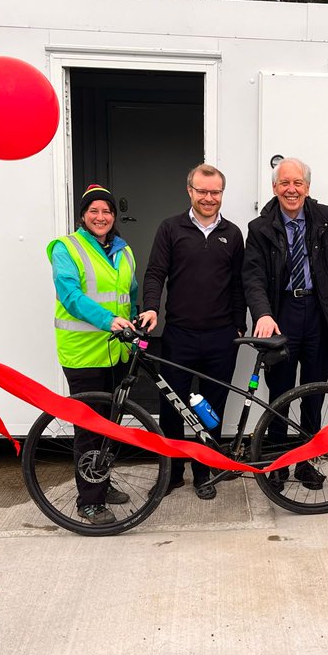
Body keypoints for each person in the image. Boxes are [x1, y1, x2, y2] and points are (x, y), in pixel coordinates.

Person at [139, 164, 246, 499]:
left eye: (215, 192)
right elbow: (155, 272)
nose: (209, 198)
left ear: (221, 194)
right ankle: (171, 473)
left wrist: (239, 324)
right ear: (190, 191)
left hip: (220, 338)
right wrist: (152, 307)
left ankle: (204, 472)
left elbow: (239, 285)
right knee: (171, 405)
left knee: (210, 409)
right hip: (179, 336)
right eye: (202, 191)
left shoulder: (233, 233)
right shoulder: (171, 228)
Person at [244, 157, 328, 490]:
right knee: (281, 393)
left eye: (297, 182)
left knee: (315, 393)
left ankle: (307, 462)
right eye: (284, 183)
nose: (291, 189)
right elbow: (253, 277)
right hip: (282, 314)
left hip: (318, 314)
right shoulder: (259, 228)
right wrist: (263, 313)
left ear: (307, 186)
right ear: (274, 188)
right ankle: (278, 463)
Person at [47, 184, 144, 525]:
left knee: (110, 426)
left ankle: (100, 480)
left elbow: (128, 294)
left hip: (117, 351)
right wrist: (108, 320)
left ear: (114, 217)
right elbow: (70, 295)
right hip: (84, 354)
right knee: (88, 429)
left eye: (107, 211)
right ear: (83, 215)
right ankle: (89, 502)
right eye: (94, 211)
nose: (101, 217)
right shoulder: (67, 248)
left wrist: (134, 318)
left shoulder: (123, 250)